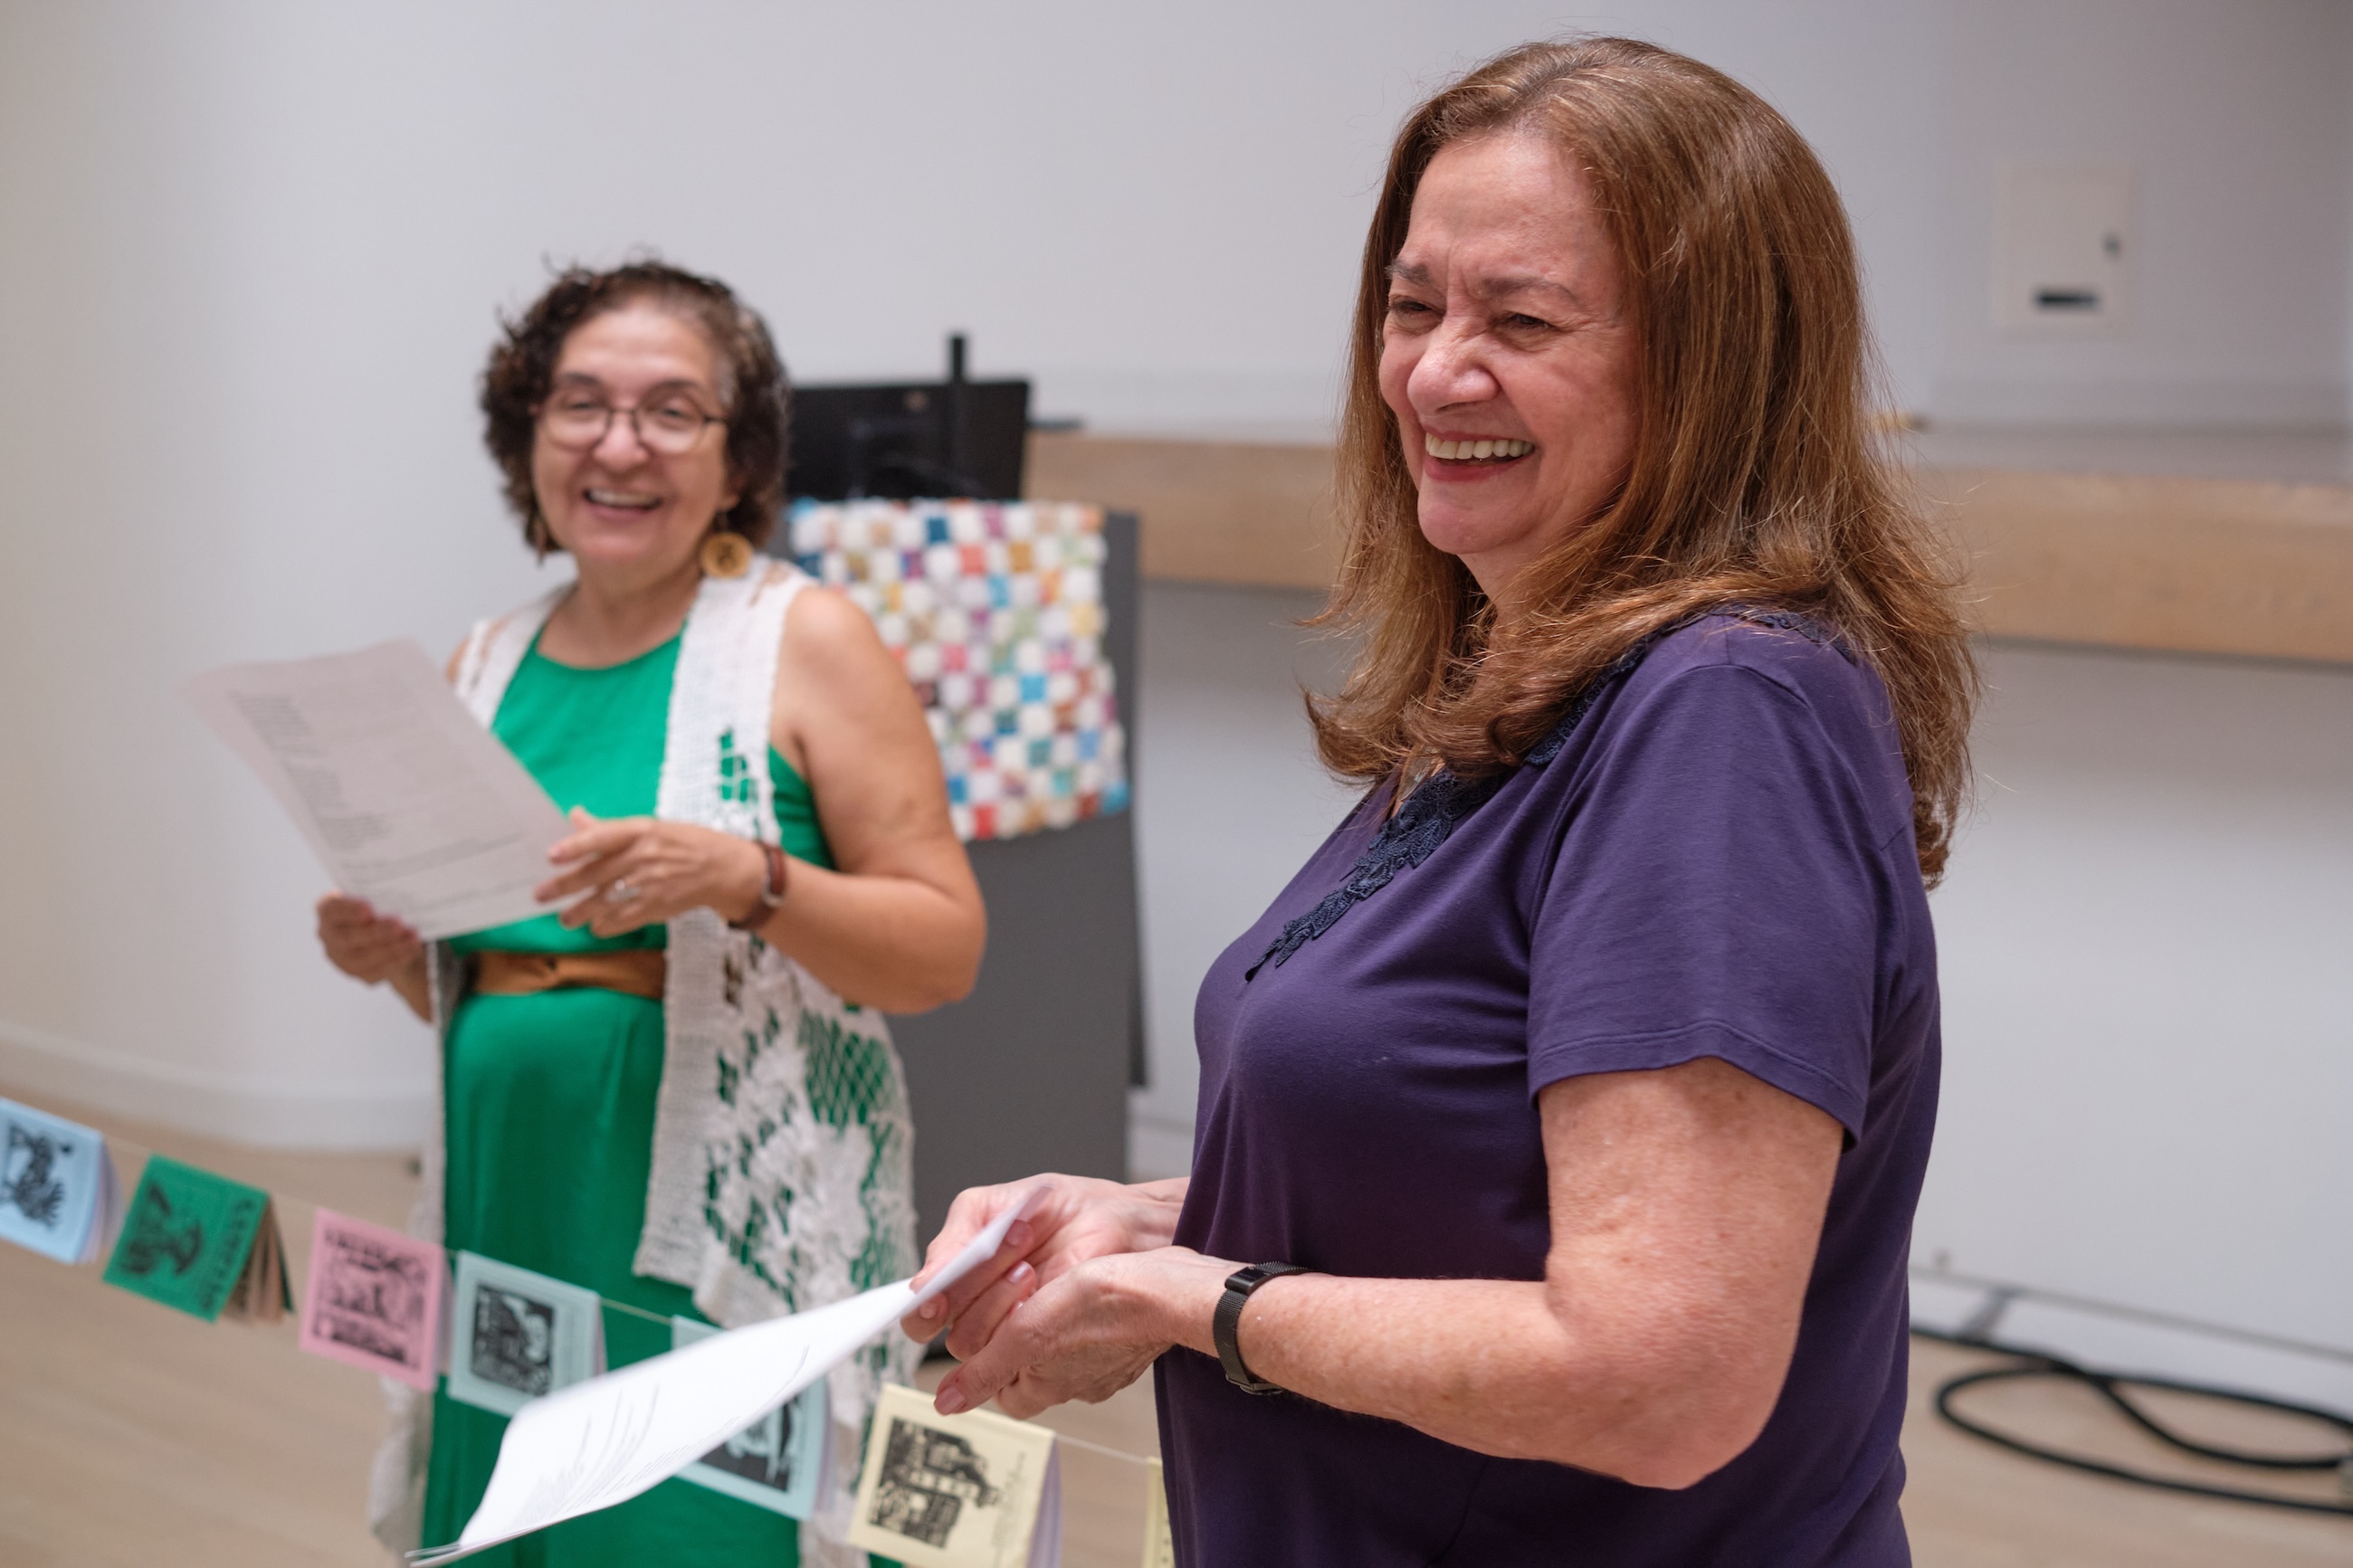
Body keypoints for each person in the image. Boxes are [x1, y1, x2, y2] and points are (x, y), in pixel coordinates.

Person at [900, 37, 1975, 1567]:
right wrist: (1157, 1219)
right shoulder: (1523, 678)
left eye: (1521, 320)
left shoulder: (1724, 712)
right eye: (1413, 305)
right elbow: (1462, 1179)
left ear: (1712, 371)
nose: (1431, 371)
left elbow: (1659, 1375)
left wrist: (1195, 1302)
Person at [315, 260, 986, 1566]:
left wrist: (752, 878)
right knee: (508, 1523)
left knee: (680, 1529)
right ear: (531, 439)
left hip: (700, 1240)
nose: (620, 444)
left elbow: (944, 948)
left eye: (673, 410)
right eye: (581, 405)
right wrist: (398, 962)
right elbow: (510, 977)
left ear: (736, 463)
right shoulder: (483, 661)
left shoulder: (807, 638)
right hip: (503, 1188)